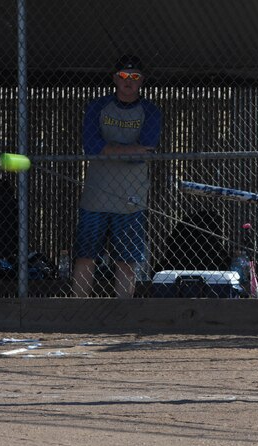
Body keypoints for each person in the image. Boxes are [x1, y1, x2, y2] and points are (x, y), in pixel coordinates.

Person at [71, 54, 162, 298]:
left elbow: (146, 152)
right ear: (115, 78)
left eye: (134, 77)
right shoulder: (98, 107)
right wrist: (130, 149)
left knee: (126, 261)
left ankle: (123, 313)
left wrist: (109, 149)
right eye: (123, 76)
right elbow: (90, 146)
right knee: (86, 255)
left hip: (131, 199)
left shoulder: (150, 111)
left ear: (142, 80)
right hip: (96, 196)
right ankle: (77, 311)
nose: (128, 81)